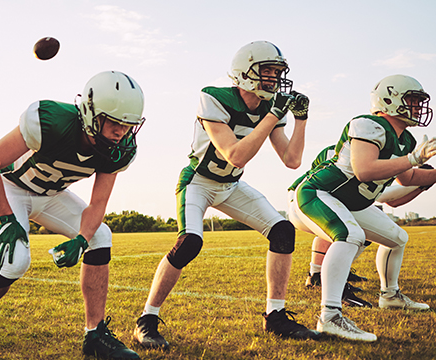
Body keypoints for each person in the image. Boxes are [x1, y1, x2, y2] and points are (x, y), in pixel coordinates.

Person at [133, 40, 321, 350]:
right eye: (269, 71)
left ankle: (275, 316)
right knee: (189, 242)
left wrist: (300, 120)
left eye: (277, 72)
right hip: (198, 182)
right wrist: (272, 116)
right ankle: (147, 320)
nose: (274, 79)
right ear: (245, 72)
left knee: (283, 231)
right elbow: (235, 155)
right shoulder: (214, 98)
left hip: (231, 186)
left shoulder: (268, 109)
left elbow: (291, 160)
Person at [0, 71, 146, 360]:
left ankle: (95, 333)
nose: (121, 131)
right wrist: (7, 217)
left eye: (128, 124)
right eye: (114, 121)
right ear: (90, 112)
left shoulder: (120, 149)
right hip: (14, 189)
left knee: (99, 236)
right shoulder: (48, 121)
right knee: (15, 262)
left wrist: (82, 240)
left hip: (52, 195)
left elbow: (97, 203)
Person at [289, 74, 436, 341]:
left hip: (350, 203)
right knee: (350, 236)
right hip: (317, 193)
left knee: (397, 238)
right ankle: (330, 316)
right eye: (412, 100)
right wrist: (412, 159)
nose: (417, 107)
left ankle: (390, 295)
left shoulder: (406, 140)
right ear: (389, 99)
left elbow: (407, 178)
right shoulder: (368, 124)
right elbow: (364, 171)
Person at [289, 145, 436, 308]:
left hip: (341, 202)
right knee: (347, 233)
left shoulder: (385, 156)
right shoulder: (342, 153)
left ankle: (389, 295)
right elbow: (383, 196)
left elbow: (390, 200)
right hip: (307, 199)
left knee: (396, 237)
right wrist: (418, 182)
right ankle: (335, 288)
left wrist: (421, 185)